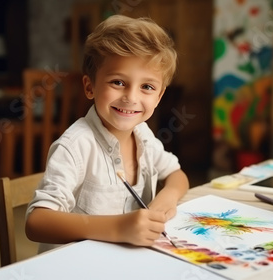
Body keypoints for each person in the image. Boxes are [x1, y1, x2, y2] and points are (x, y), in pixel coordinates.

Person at [25, 15, 189, 253]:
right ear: (90, 87)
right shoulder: (76, 145)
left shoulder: (142, 134)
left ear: (159, 96)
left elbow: (176, 174)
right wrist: (117, 228)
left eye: (147, 87)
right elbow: (36, 223)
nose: (131, 97)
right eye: (118, 82)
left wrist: (169, 196)